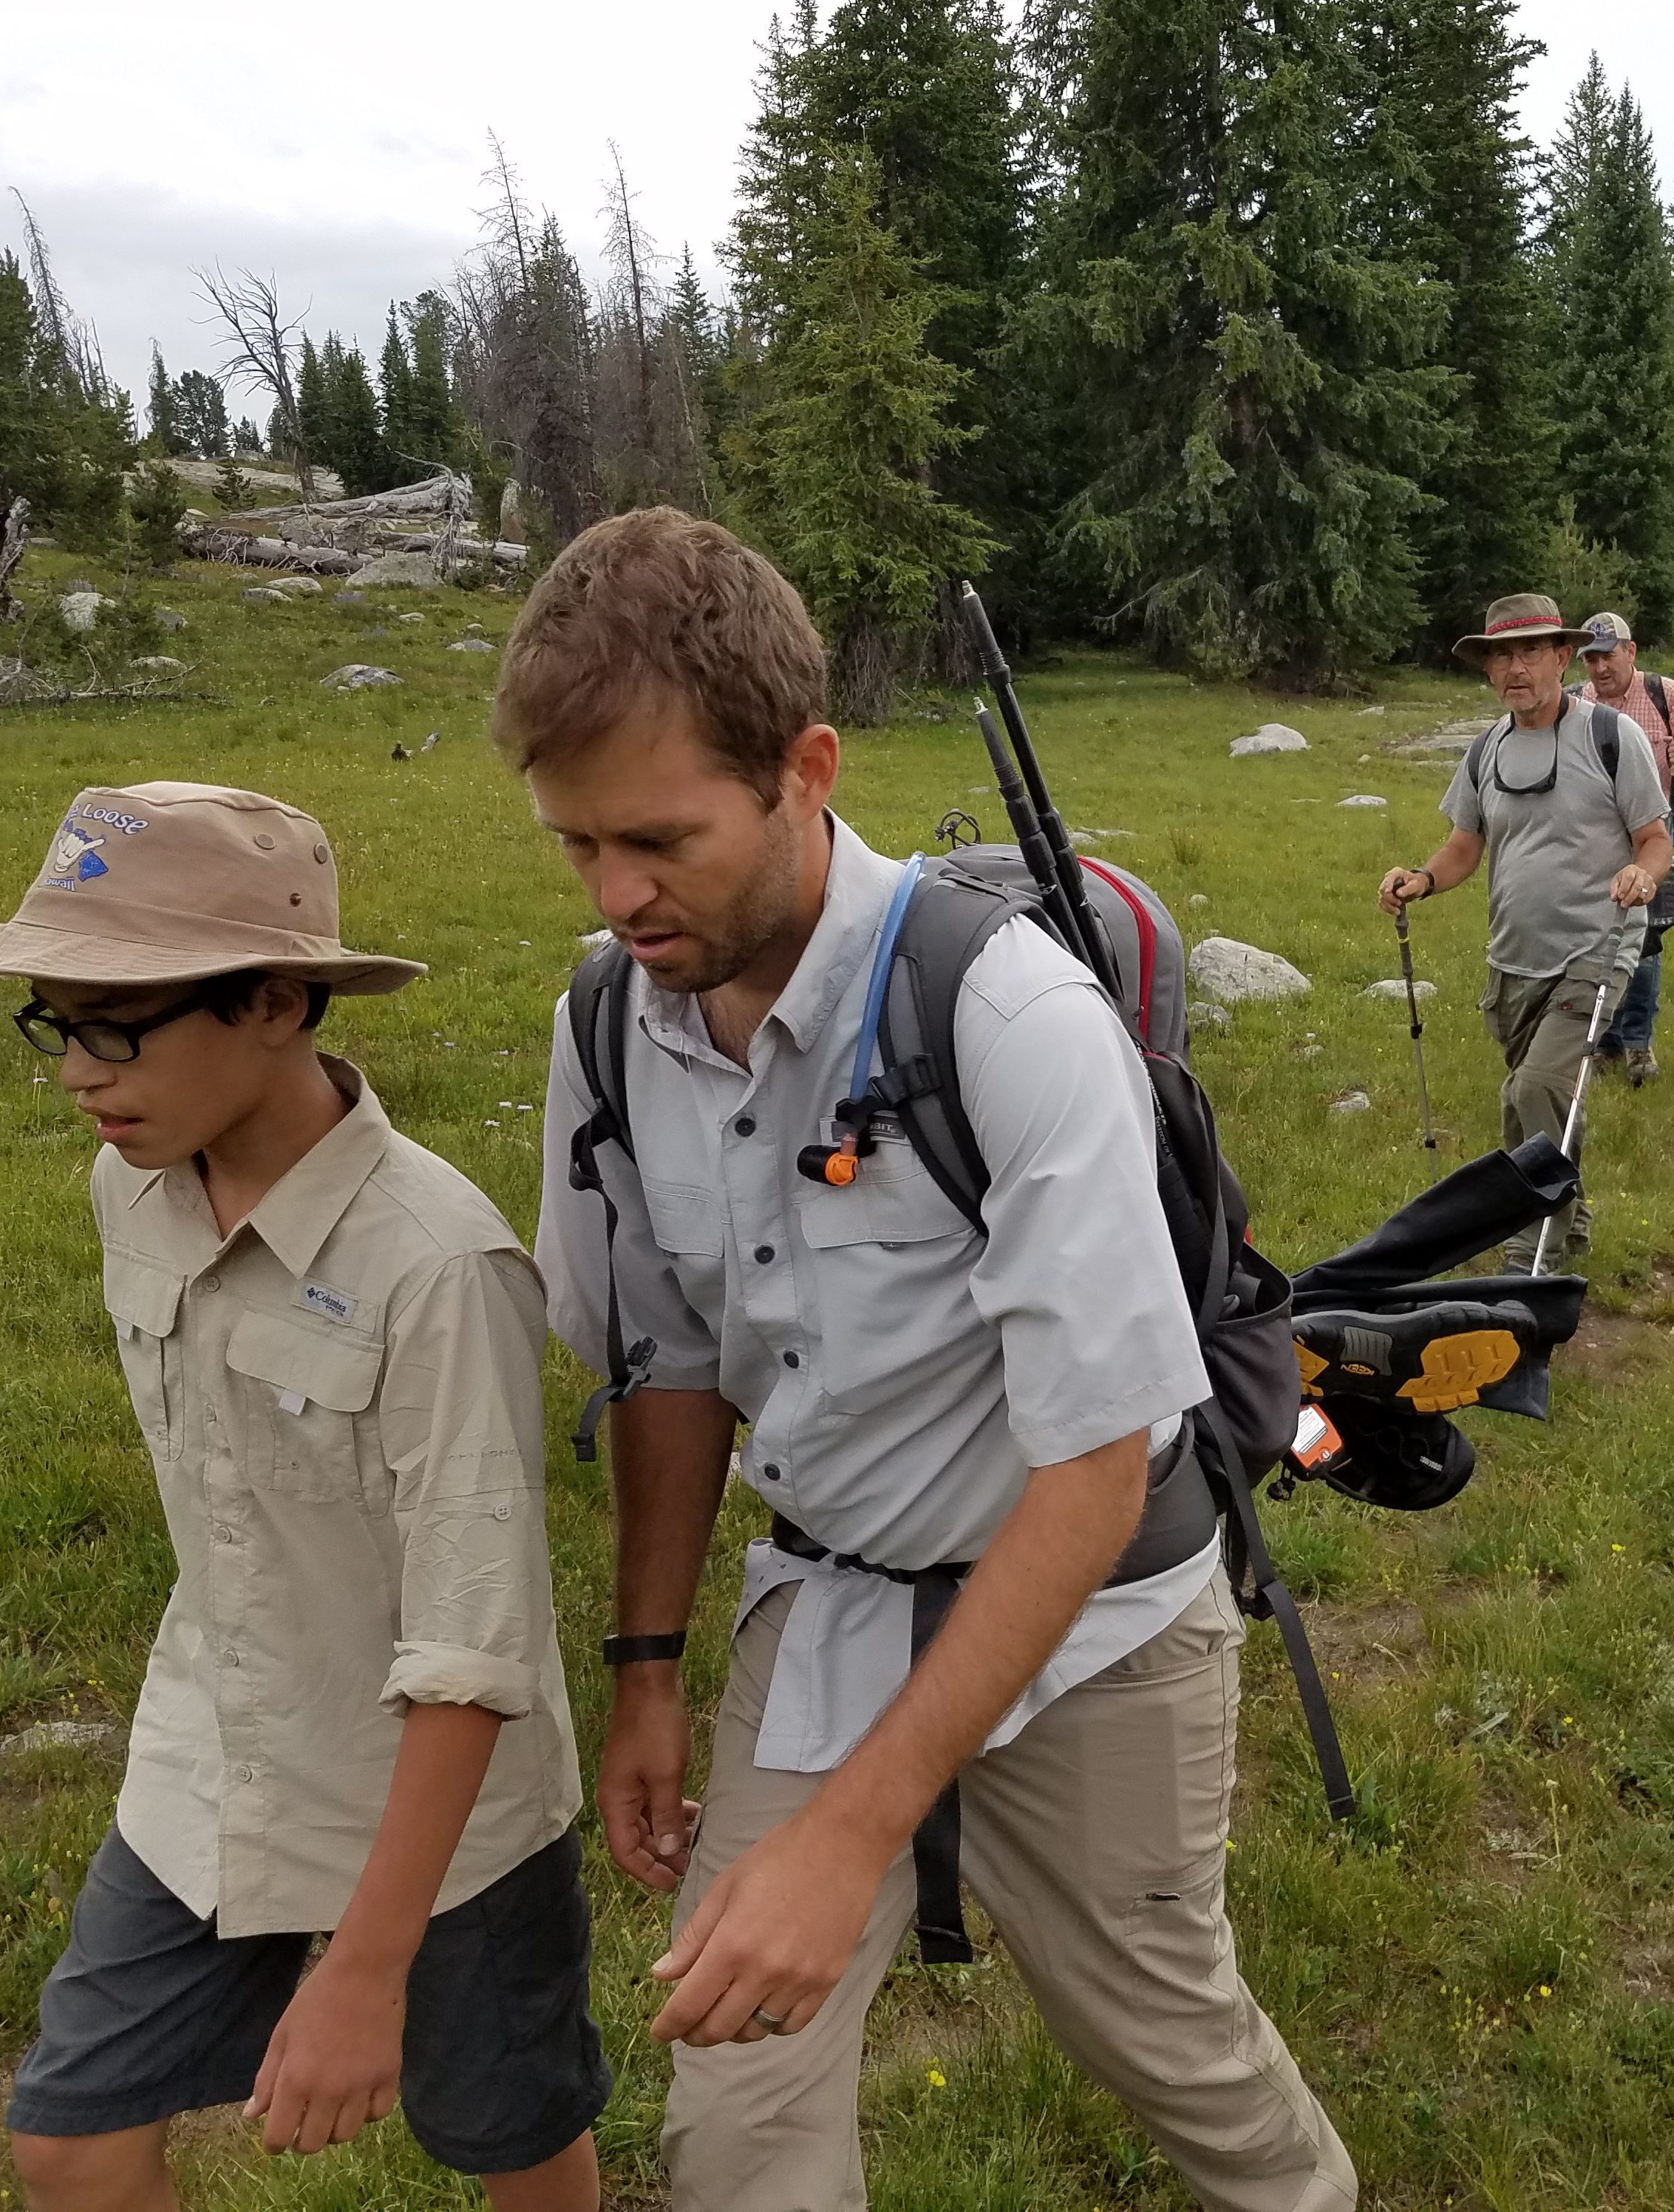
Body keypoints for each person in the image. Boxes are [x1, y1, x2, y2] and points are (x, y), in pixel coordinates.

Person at [502, 511, 1353, 2212]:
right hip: (827, 1609)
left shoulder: (1011, 1024)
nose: (615, 898)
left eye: (658, 840)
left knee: (1166, 2039)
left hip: (1100, 1618)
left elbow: (1099, 1471)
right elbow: (667, 1357)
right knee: (732, 2114)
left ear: (806, 771)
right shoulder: (611, 1023)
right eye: (577, 845)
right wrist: (653, 1666)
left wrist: (847, 1835)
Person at [0, 785, 605, 2209]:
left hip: (441, 1808)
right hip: (209, 1756)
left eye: (116, 1023)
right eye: (55, 1021)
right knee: (71, 2134)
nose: (77, 1074)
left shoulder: (438, 1265)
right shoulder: (135, 1187)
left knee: (510, 2138)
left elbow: (476, 1649)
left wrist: (364, 1966)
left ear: (278, 1000)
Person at [1379, 592, 1673, 1270]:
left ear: (1562, 657)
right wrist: (1421, 879)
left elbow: (1655, 839)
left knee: (1533, 1090)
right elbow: (1464, 845)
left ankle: (1529, 1255)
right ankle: (1572, 1219)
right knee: (1549, 1103)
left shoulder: (1611, 737)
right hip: (1513, 961)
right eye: (1501, 655)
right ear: (1488, 670)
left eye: (1531, 650)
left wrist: (1642, 876)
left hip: (1597, 948)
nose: (1516, 667)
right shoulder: (1486, 750)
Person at [1576, 610, 1674, 1087]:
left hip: (1653, 840)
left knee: (1646, 945)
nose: (1599, 669)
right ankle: (1604, 1043)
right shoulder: (1577, 703)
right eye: (1590, 659)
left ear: (1630, 652)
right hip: (1592, 845)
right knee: (1595, 944)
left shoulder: (1664, 694)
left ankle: (1637, 1044)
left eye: (1607, 656)